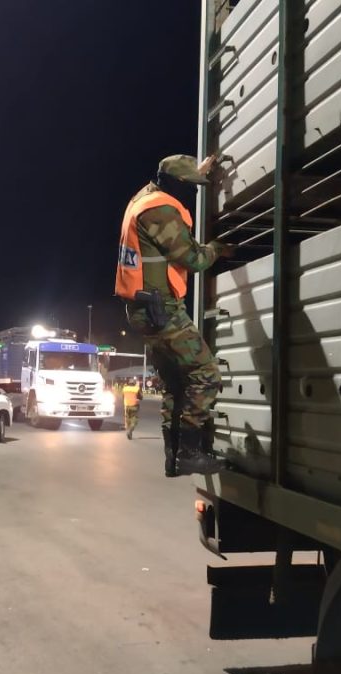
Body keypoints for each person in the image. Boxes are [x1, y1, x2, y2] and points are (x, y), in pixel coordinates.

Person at [115, 154, 232, 477]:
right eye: (191, 186)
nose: (194, 192)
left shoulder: (144, 197)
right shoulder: (161, 211)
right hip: (162, 310)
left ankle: (173, 456)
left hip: (145, 309)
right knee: (206, 373)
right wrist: (217, 248)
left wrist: (197, 170)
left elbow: (174, 177)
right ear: (178, 184)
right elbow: (194, 259)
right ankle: (189, 453)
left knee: (176, 382)